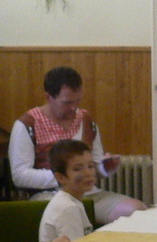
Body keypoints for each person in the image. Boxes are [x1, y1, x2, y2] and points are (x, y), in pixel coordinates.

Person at [8, 66, 146, 224]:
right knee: (69, 213)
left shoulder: (86, 120)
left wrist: (103, 168)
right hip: (48, 196)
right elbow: (20, 176)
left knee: (137, 211)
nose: (74, 107)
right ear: (48, 97)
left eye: (78, 100)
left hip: (88, 194)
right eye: (67, 102)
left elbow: (95, 165)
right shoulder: (27, 125)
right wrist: (67, 178)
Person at [38, 139, 96, 242]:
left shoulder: (71, 201)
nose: (88, 173)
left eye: (90, 166)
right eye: (77, 169)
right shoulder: (68, 208)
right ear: (60, 177)